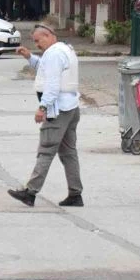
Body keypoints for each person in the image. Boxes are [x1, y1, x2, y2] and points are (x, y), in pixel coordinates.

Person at [8, 24, 83, 207]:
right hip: (71, 107)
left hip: (58, 110)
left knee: (46, 150)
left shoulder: (55, 54)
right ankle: (75, 193)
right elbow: (45, 68)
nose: (37, 45)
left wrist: (43, 107)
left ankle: (30, 192)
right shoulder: (64, 49)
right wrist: (29, 57)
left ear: (48, 36)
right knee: (68, 152)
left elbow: (52, 84)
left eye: (37, 40)